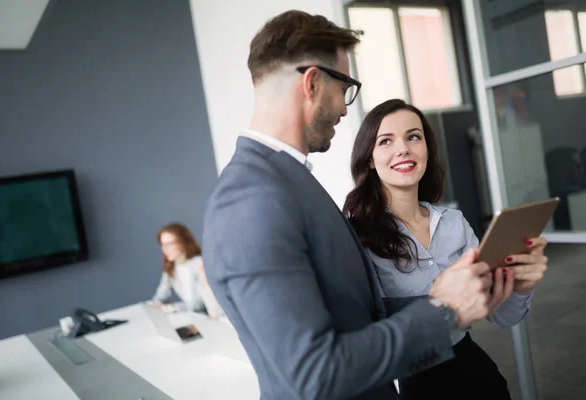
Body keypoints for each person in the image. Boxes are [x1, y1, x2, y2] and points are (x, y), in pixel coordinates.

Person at [202, 10, 503, 400]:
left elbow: (356, 314)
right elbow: (314, 376)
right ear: (312, 83)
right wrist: (441, 311)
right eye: (345, 86)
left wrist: (449, 296)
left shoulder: (290, 182)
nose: (346, 108)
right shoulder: (249, 202)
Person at [343, 99, 549, 399]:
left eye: (414, 137)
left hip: (472, 368)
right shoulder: (356, 236)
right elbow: (365, 331)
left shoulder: (454, 222)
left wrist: (519, 286)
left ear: (427, 150)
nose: (404, 149)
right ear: (370, 159)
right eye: (386, 141)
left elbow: (501, 317)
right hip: (411, 378)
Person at [150, 223, 223, 318]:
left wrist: (174, 308)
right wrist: (154, 305)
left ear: (183, 242)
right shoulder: (171, 267)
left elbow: (202, 302)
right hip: (192, 316)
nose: (164, 249)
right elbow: (162, 293)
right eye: (162, 245)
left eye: (169, 244)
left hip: (209, 316)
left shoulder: (199, 264)